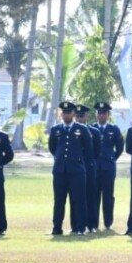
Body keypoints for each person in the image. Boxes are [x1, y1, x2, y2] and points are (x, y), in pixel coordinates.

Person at [49, 100, 95, 236]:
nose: (66, 115)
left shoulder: (82, 129)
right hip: (60, 170)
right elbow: (53, 148)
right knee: (59, 200)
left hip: (77, 170)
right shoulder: (55, 130)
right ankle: (57, 228)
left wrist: (78, 161)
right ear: (61, 114)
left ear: (74, 113)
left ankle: (80, 228)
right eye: (64, 112)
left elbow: (88, 149)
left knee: (79, 200)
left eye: (69, 112)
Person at [91, 102, 125, 230]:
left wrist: (111, 159)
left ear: (108, 115)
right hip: (94, 168)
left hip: (108, 168)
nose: (101, 115)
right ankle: (93, 224)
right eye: (99, 113)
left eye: (104, 113)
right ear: (96, 115)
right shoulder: (91, 129)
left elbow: (120, 148)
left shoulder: (113, 129)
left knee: (108, 196)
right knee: (94, 196)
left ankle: (108, 223)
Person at [75, 104, 103, 231]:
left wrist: (91, 163)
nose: (80, 118)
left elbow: (97, 151)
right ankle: (76, 225)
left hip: (89, 167)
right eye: (78, 116)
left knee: (91, 196)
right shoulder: (71, 130)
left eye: (82, 116)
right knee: (77, 197)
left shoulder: (94, 132)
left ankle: (92, 225)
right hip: (75, 168)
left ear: (87, 116)